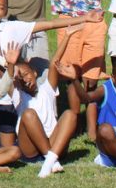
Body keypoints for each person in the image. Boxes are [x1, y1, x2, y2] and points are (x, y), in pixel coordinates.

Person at [0, 0, 100, 147]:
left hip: (7, 97)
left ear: (6, 11)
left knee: (8, 146)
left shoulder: (13, 28)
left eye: (1, 7)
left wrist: (86, 18)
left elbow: (50, 24)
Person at [43, 0, 113, 141]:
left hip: (94, 21)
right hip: (68, 21)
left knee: (91, 78)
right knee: (72, 75)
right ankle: (73, 121)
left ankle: (92, 128)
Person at [12, 30, 81, 178]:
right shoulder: (18, 94)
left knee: (70, 114)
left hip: (53, 142)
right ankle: (50, 160)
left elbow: (54, 62)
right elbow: (5, 75)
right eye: (20, 78)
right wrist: (10, 63)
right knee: (29, 114)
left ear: (35, 73)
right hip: (30, 147)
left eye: (26, 74)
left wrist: (67, 36)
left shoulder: (47, 89)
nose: (25, 79)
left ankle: (49, 160)